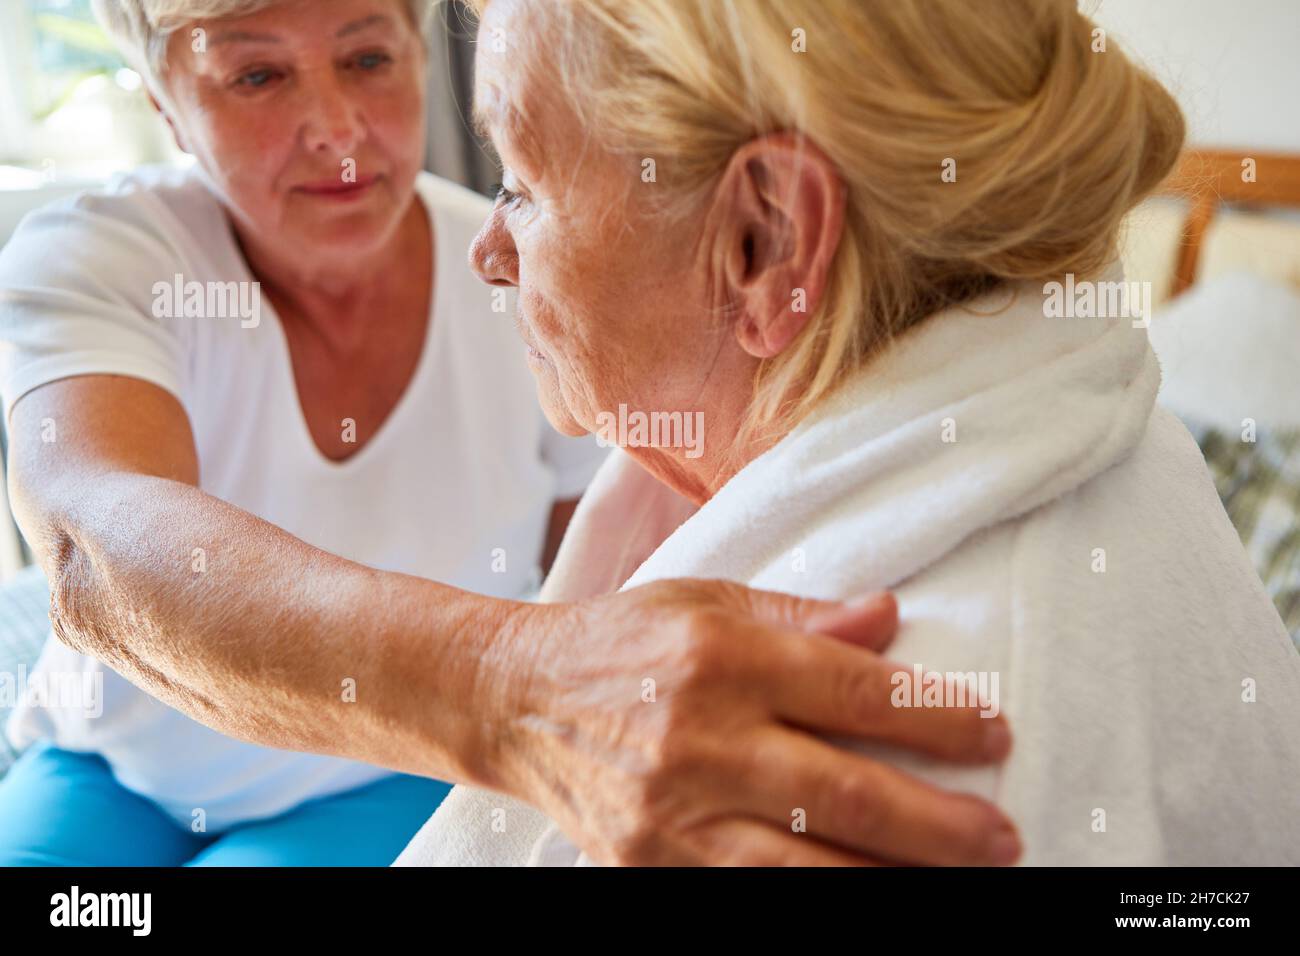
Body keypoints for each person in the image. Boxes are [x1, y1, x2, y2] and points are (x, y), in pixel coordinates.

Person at [0, 0, 1017, 866]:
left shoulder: (555, 270)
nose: (338, 128)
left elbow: (608, 561)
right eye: (257, 77)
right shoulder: (98, 255)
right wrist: (511, 685)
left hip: (382, 762)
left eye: (367, 58)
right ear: (167, 111)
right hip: (117, 760)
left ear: (417, 48)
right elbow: (93, 543)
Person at [396, 0, 1300, 865]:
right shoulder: (1110, 425)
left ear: (767, 243)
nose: (488, 254)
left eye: (518, 186)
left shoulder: (841, 764)